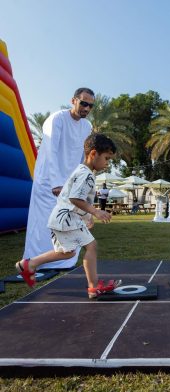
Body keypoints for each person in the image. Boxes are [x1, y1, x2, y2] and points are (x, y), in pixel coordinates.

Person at [15, 134, 121, 299]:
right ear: (93, 154)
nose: (107, 163)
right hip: (65, 218)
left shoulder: (83, 171)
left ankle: (29, 264)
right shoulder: (85, 174)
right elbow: (74, 198)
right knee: (90, 246)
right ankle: (93, 287)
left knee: (69, 252)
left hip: (65, 218)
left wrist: (87, 217)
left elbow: (78, 200)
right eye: (106, 158)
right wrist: (96, 211)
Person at [23, 88, 95, 270]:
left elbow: (83, 158)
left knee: (68, 222)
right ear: (73, 100)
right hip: (48, 182)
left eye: (90, 106)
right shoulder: (57, 119)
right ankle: (34, 261)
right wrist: (56, 182)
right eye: (84, 103)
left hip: (69, 185)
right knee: (43, 224)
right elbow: (51, 151)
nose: (86, 108)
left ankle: (62, 261)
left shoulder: (87, 127)